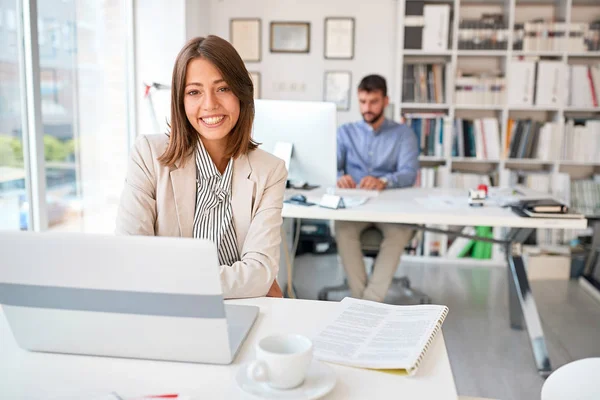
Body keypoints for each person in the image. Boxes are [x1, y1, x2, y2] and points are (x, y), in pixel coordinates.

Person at [116, 36, 286, 299]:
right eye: (194, 92)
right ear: (180, 101)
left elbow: (260, 272)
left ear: (241, 93)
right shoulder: (148, 155)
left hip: (244, 309)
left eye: (223, 88)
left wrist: (166, 279)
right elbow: (130, 258)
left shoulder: (270, 170)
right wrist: (249, 281)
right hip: (169, 310)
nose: (210, 105)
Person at [336, 74, 419, 302]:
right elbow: (330, 167)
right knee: (343, 230)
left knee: (399, 232)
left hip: (390, 206)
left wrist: (384, 181)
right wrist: (339, 177)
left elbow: (409, 173)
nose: (367, 108)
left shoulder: (403, 134)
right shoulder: (345, 133)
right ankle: (365, 304)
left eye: (373, 102)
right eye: (362, 102)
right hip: (355, 206)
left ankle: (366, 303)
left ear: (385, 101)